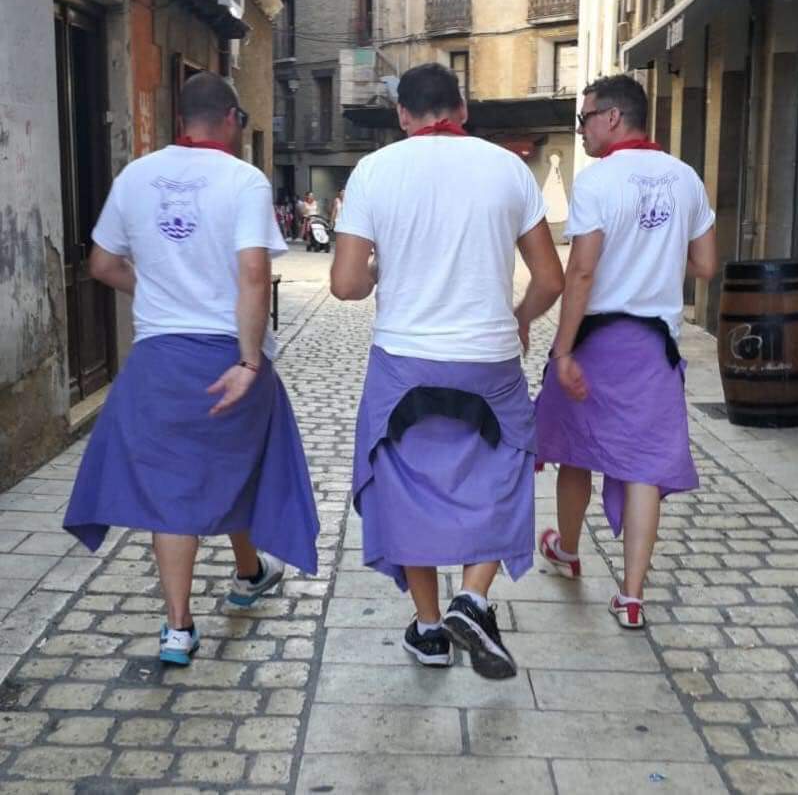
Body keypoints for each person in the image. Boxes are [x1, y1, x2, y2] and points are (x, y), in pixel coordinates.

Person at [63, 72, 319, 665]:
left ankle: (178, 627)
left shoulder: (136, 177)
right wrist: (251, 360)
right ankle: (249, 573)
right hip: (227, 351)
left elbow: (102, 263)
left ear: (181, 119)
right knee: (244, 468)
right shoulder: (243, 180)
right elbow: (254, 276)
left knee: (172, 491)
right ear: (231, 118)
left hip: (157, 358)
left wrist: (150, 285)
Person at [331, 62, 564, 679]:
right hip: (487, 359)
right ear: (462, 109)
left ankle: (431, 629)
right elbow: (550, 280)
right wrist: (519, 317)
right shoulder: (509, 169)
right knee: (505, 466)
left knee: (404, 487)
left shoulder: (373, 171)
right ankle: (474, 596)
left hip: (404, 359)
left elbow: (347, 284)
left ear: (403, 116)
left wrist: (386, 272)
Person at [535, 74, 717, 630]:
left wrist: (562, 350)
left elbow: (582, 270)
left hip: (597, 342)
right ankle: (632, 595)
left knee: (575, 451)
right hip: (654, 349)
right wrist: (656, 265)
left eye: (585, 118)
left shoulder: (599, 182)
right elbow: (707, 266)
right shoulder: (686, 178)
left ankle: (567, 551)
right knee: (644, 468)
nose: (582, 130)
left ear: (613, 117)